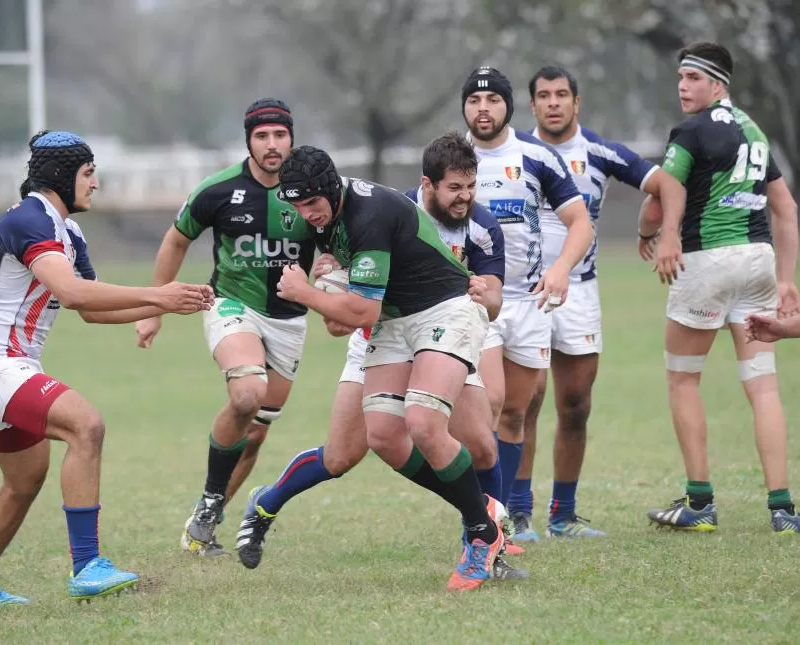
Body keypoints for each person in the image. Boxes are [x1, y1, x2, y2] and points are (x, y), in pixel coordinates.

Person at [0, 131, 214, 605]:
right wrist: (157, 294)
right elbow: (72, 293)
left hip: (10, 365)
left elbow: (92, 306)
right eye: (89, 174)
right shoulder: (30, 220)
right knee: (86, 426)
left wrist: (166, 306)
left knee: (23, 481)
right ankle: (87, 566)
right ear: (63, 177)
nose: (96, 184)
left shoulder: (66, 230)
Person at [235, 132, 526, 578]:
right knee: (375, 441)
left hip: (441, 311)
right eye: (297, 205)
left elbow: (358, 307)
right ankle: (485, 526)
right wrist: (327, 284)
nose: (306, 214)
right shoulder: (311, 218)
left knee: (462, 437)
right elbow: (343, 321)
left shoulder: (370, 213)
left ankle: (483, 536)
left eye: (313, 203)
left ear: (332, 188)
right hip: (389, 323)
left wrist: (309, 292)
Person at [507, 65, 687, 541]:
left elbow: (668, 185)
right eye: (543, 95)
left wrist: (662, 234)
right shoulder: (517, 151)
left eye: (561, 94)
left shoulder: (599, 152)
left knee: (575, 404)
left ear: (576, 102)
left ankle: (563, 515)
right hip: (525, 291)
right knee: (526, 402)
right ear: (532, 105)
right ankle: (518, 513)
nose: (553, 103)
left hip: (580, 290)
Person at [134, 98, 317, 556]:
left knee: (255, 432)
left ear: (291, 138)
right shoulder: (219, 190)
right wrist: (154, 305)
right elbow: (176, 239)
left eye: (279, 135)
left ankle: (205, 519)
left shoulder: (313, 188)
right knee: (247, 393)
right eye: (262, 136)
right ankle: (212, 502)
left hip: (290, 320)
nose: (272, 145)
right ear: (248, 141)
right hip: (231, 304)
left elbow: (342, 240)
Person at [638, 42, 800, 533]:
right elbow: (786, 209)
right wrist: (787, 280)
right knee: (763, 384)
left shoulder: (691, 130)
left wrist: (657, 233)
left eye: (693, 77)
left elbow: (662, 190)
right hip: (757, 262)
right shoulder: (753, 130)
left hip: (708, 263)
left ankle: (700, 502)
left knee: (684, 379)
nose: (684, 87)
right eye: (681, 77)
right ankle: (782, 509)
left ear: (717, 83)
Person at [461, 67, 594, 525]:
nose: (483, 109)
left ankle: (506, 515)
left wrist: (559, 270)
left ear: (508, 106)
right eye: (475, 101)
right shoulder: (451, 156)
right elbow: (412, 213)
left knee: (516, 413)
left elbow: (582, 223)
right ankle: (482, 519)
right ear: (464, 107)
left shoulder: (536, 157)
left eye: (493, 100)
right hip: (477, 302)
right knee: (490, 405)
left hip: (528, 302)